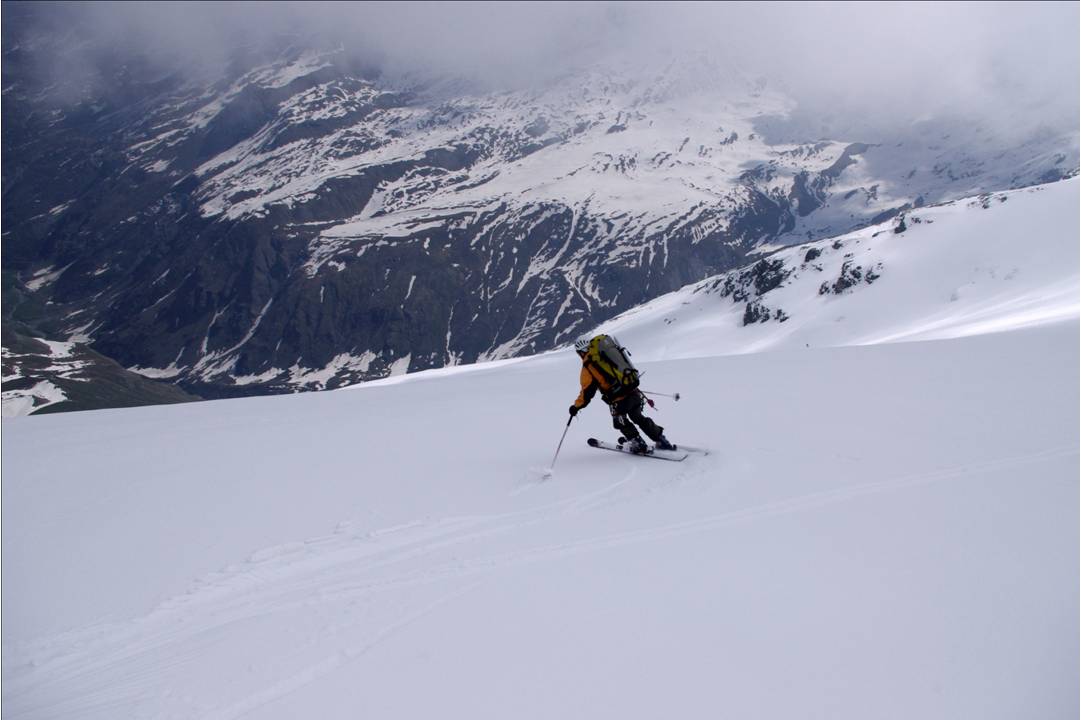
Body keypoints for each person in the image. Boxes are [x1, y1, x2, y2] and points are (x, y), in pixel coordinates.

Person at [568, 335, 677, 454]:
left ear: (582, 351)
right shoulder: (608, 352)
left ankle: (638, 444)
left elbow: (587, 392)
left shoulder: (588, 366)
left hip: (618, 399)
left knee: (620, 422)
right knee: (638, 418)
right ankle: (662, 440)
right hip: (633, 392)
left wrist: (576, 407)